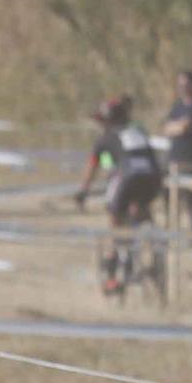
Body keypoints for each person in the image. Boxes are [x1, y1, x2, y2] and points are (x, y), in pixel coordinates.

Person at [74, 94, 163, 293]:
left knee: (114, 223)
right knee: (140, 209)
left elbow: (95, 167)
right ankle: (151, 247)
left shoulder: (105, 138)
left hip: (128, 177)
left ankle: (113, 275)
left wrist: (83, 192)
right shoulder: (138, 132)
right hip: (153, 176)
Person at [162, 67, 192, 236]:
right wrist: (176, 127)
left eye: (185, 84)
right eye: (180, 85)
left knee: (190, 197)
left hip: (188, 158)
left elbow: (184, 127)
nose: (182, 88)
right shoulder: (177, 106)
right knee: (169, 195)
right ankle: (171, 229)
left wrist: (178, 126)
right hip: (173, 157)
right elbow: (167, 128)